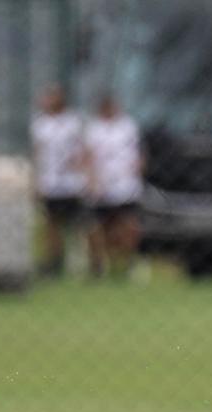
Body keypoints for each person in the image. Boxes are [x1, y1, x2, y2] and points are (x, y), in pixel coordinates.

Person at [84, 94, 144, 279]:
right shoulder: (93, 129)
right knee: (95, 227)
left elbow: (139, 154)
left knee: (127, 225)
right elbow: (88, 156)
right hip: (102, 186)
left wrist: (136, 173)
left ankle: (128, 264)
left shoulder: (128, 126)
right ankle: (97, 266)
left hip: (125, 185)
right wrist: (92, 181)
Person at [29, 85, 86, 277]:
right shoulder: (40, 124)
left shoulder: (73, 122)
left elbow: (82, 150)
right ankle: (52, 263)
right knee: (51, 225)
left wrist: (81, 169)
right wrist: (35, 181)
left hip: (71, 183)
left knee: (79, 224)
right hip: (50, 183)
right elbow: (38, 154)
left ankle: (81, 261)